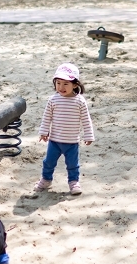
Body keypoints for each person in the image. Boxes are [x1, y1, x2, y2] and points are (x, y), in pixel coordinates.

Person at [34, 63, 95, 195]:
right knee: (48, 162)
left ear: (75, 84)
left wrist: (89, 135)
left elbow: (86, 119)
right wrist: (44, 132)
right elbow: (47, 117)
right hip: (54, 140)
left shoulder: (80, 101)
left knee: (73, 164)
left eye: (66, 84)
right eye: (58, 83)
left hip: (72, 142)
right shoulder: (53, 100)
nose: (61, 87)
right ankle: (46, 179)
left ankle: (73, 182)